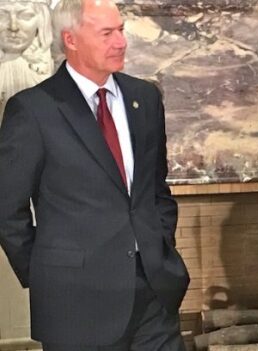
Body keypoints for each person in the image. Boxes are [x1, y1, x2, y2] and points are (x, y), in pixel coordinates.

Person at [0, 0, 189, 349]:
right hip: (75, 304)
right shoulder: (32, 110)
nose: (121, 42)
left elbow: (155, 188)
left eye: (121, 30)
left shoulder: (145, 97)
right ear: (70, 39)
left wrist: (160, 244)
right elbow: (6, 209)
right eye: (106, 33)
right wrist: (46, 274)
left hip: (154, 294)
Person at [0, 0, 53, 119]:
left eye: (25, 16)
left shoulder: (60, 67)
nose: (13, 27)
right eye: (2, 15)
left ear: (43, 20)